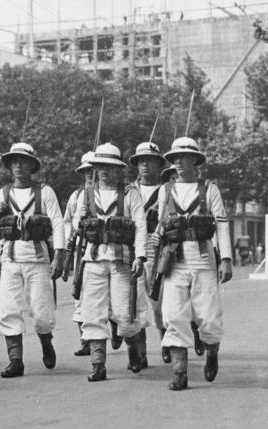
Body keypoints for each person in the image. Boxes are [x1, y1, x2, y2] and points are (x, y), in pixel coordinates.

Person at [152, 137, 233, 391]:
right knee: (173, 314)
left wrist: (227, 259)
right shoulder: (165, 190)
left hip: (203, 258)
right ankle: (180, 373)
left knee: (207, 316)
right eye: (175, 158)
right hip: (174, 259)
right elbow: (160, 223)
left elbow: (221, 224)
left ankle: (211, 352)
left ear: (195, 161)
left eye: (183, 158)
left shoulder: (209, 189)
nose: (178, 163)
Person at [71, 142, 146, 382]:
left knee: (124, 315)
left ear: (118, 170)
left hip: (121, 259)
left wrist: (141, 256)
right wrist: (80, 220)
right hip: (93, 260)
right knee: (92, 313)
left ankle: (134, 350)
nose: (104, 171)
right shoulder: (86, 194)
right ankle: (98, 364)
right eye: (100, 166)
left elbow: (141, 227)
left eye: (109, 167)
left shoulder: (130, 194)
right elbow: (75, 224)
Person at [0, 142, 65, 378]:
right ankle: (15, 360)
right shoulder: (3, 194)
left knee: (42, 310)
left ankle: (46, 341)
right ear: (10, 166)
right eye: (14, 162)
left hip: (38, 259)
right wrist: (1, 216)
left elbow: (57, 223)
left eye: (24, 161)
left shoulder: (45, 192)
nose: (19, 166)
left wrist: (60, 256)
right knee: (8, 308)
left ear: (32, 166)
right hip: (11, 258)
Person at [129, 141, 166, 368]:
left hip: (158, 250)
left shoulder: (167, 190)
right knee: (135, 302)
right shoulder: (128, 191)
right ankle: (140, 353)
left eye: (150, 161)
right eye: (141, 161)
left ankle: (167, 340)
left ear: (158, 164)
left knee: (160, 302)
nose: (145, 165)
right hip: (132, 251)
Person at [63, 151, 94, 357]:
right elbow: (67, 221)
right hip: (81, 250)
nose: (90, 175)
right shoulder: (76, 196)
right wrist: (74, 229)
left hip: (105, 249)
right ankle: (85, 340)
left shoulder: (112, 194)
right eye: (86, 171)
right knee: (80, 295)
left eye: (93, 170)